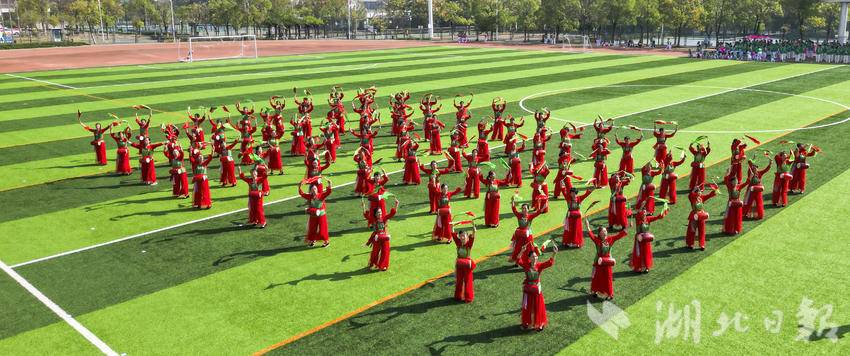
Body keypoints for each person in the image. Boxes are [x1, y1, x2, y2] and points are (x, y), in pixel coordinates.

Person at [518, 243, 557, 331]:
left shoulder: (539, 265)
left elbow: (549, 263)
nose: (535, 258)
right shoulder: (526, 265)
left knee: (537, 308)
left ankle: (538, 324)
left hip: (536, 290)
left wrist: (554, 253)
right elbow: (518, 260)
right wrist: (522, 250)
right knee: (528, 308)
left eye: (536, 256)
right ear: (529, 258)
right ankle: (530, 323)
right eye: (533, 256)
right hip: (528, 290)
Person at [587, 220, 628, 300]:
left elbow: (619, 235)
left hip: (607, 263)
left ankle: (609, 294)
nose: (605, 233)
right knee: (597, 277)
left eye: (605, 231)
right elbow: (591, 235)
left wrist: (628, 227)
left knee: (608, 278)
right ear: (599, 234)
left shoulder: (610, 239)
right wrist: (588, 226)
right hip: (599, 262)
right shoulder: (597, 240)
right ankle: (595, 291)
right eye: (603, 231)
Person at [629, 204, 669, 273]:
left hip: (646, 239)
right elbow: (637, 214)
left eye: (645, 212)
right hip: (639, 238)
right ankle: (639, 267)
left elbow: (658, 217)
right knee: (639, 253)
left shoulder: (648, 219)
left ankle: (646, 267)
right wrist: (641, 206)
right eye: (643, 212)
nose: (644, 213)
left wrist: (665, 210)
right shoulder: (638, 219)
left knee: (646, 253)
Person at [365, 199, 399, 271]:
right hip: (376, 238)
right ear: (375, 214)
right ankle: (373, 263)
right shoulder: (373, 219)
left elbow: (392, 214)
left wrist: (396, 204)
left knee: (385, 251)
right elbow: (366, 216)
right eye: (378, 213)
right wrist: (365, 208)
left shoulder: (384, 218)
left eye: (380, 212)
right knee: (375, 252)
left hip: (384, 237)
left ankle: (383, 265)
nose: (380, 214)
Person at [299, 178, 333, 247]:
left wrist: (330, 184)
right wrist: (299, 186)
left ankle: (326, 242)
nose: (314, 190)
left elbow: (328, 192)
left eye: (315, 189)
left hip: (321, 214)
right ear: (311, 191)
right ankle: (312, 241)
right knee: (312, 228)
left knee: (323, 229)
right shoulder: (310, 196)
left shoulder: (321, 195)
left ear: (317, 189)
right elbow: (302, 194)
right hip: (313, 215)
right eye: (313, 189)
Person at [685, 184, 719, 250]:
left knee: (702, 230)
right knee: (692, 230)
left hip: (701, 214)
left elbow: (709, 195)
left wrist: (715, 189)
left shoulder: (701, 198)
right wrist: (694, 190)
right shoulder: (692, 198)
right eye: (699, 191)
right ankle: (690, 244)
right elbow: (690, 195)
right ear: (696, 192)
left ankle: (702, 245)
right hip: (694, 215)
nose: (700, 192)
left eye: (700, 191)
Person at [453, 225, 477, 303]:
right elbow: (453, 233)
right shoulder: (458, 242)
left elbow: (473, 237)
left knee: (468, 281)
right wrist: (451, 226)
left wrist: (474, 231)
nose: (462, 237)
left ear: (467, 236)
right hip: (460, 264)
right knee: (459, 281)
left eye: (464, 236)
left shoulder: (469, 244)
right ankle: (458, 296)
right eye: (461, 236)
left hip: (467, 265)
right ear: (459, 237)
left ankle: (469, 297)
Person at [722, 171, 748, 236]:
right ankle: (729, 229)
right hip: (731, 204)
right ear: (731, 182)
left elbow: (746, 183)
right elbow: (725, 180)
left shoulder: (739, 186)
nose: (735, 182)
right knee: (730, 217)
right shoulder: (729, 187)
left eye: (736, 181)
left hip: (738, 204)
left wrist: (750, 177)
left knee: (737, 217)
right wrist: (727, 173)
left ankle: (736, 229)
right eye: (734, 181)